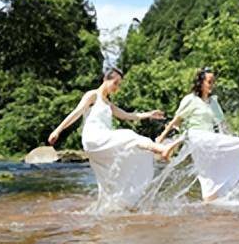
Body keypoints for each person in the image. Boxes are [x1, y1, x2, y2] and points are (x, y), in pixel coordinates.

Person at [48, 67, 181, 208]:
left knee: (125, 164)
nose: (117, 87)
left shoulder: (108, 103)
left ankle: (117, 206)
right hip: (94, 138)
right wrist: (58, 130)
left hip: (104, 139)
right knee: (129, 135)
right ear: (106, 79)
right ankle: (161, 149)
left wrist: (149, 114)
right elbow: (76, 112)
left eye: (119, 84)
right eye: (115, 83)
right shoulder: (93, 95)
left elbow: (127, 116)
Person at [156, 67, 239, 201]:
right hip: (197, 138)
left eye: (213, 82)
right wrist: (161, 138)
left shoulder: (213, 102)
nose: (212, 85)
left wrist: (230, 137)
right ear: (200, 83)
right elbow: (176, 120)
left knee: (210, 176)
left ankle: (208, 205)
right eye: (209, 81)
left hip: (209, 141)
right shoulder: (190, 99)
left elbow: (222, 124)